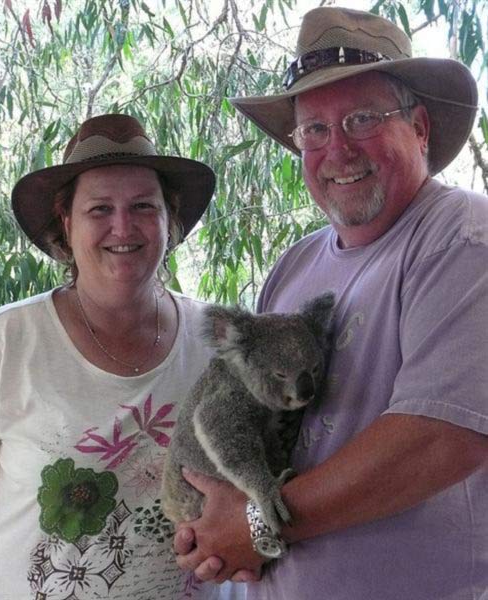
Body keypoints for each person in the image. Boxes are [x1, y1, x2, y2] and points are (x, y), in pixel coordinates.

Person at [173, 7, 488, 600]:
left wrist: (259, 522)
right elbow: (257, 421)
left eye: (363, 119)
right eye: (314, 130)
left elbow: (443, 438)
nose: (336, 150)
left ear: (419, 127)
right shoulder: (295, 267)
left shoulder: (463, 238)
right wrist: (215, 528)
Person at [0, 114, 244, 600]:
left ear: (170, 223)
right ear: (66, 225)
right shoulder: (8, 343)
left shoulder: (223, 343)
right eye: (99, 209)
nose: (123, 226)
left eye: (144, 206)